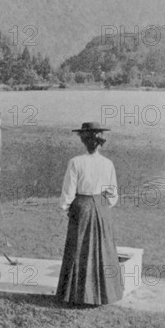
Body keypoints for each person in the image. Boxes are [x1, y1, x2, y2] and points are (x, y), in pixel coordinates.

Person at [56, 122, 124, 306]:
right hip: (101, 207)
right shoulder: (107, 164)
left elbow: (68, 192)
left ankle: (76, 295)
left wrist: (66, 207)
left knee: (78, 248)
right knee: (103, 248)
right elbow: (113, 193)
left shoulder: (76, 162)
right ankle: (105, 294)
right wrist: (102, 206)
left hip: (82, 207)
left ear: (83, 141)